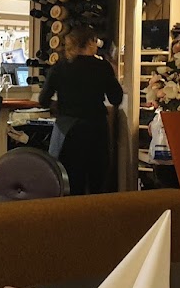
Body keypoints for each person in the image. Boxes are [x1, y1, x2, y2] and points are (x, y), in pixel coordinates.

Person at [38, 26, 124, 195]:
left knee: (71, 183)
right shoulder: (102, 67)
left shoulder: (59, 67)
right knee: (96, 182)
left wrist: (61, 107)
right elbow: (116, 98)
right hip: (96, 129)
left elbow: (43, 100)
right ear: (90, 42)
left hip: (68, 130)